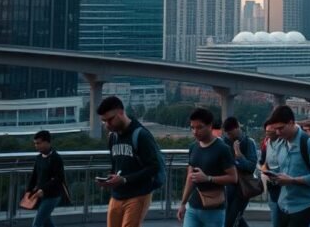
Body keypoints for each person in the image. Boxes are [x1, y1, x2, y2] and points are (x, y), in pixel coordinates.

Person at [98, 96, 163, 227]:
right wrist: (109, 180)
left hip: (138, 194)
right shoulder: (112, 137)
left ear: (121, 112)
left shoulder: (141, 135)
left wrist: (124, 179)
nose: (107, 125)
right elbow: (116, 165)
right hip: (117, 194)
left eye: (110, 119)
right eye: (104, 121)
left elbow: (153, 167)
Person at [267, 105, 310, 227]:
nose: (278, 133)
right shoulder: (280, 143)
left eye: (281, 128)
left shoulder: (309, 143)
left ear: (291, 123)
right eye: (275, 129)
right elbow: (281, 170)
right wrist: (274, 177)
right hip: (283, 204)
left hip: (304, 205)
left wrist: (292, 180)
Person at [177, 108, 238, 227]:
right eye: (192, 127)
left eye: (199, 127)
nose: (195, 131)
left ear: (210, 126)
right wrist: (183, 203)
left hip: (214, 210)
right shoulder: (193, 147)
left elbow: (233, 178)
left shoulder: (222, 148)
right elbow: (190, 178)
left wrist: (208, 178)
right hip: (193, 208)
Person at [222, 117, 259, 227]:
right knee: (230, 218)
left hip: (242, 188)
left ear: (238, 128)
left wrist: (239, 156)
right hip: (227, 188)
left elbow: (251, 167)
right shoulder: (224, 142)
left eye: (231, 133)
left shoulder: (249, 143)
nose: (229, 136)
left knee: (231, 220)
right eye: (227, 133)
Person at [26, 130, 66, 227]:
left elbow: (58, 178)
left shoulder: (55, 158)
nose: (36, 146)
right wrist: (29, 191)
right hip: (41, 195)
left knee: (37, 223)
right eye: (35, 143)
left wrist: (43, 189)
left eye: (38, 143)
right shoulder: (39, 158)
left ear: (47, 142)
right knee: (46, 221)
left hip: (52, 195)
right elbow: (34, 176)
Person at [258, 123, 282, 227]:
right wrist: (265, 170)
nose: (268, 133)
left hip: (286, 187)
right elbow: (262, 162)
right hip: (273, 186)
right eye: (267, 131)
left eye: (271, 130)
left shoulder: (285, 143)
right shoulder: (267, 143)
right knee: (276, 217)